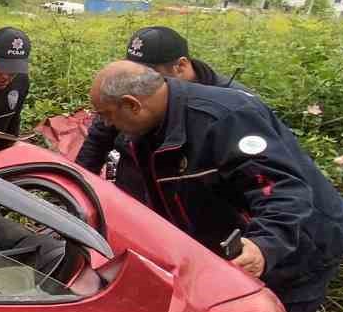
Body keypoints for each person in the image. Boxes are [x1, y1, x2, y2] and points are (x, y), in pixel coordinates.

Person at [89, 61, 343, 312]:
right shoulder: (148, 127)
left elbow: (282, 189)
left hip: (295, 248)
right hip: (229, 248)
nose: (106, 124)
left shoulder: (225, 118)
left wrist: (264, 246)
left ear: (132, 104)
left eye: (107, 115)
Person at [76, 26, 251, 199]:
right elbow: (98, 140)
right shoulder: (129, 93)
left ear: (180, 66)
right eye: (133, 71)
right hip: (133, 192)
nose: (138, 81)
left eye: (148, 73)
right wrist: (75, 190)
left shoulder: (231, 108)